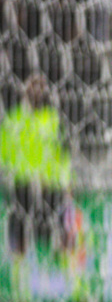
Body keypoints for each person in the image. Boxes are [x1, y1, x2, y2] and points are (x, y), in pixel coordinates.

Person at [1, 76, 72, 257]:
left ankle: (47, 256)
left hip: (46, 185)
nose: (36, 94)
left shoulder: (51, 119)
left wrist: (65, 182)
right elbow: (3, 150)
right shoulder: (15, 118)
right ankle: (22, 258)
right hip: (26, 184)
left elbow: (63, 154)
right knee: (23, 225)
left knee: (45, 228)